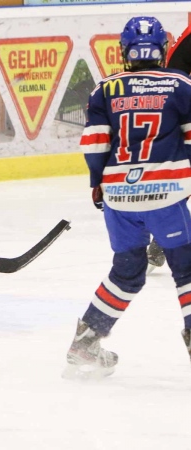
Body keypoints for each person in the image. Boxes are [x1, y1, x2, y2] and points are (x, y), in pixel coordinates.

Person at [64, 16, 191, 379]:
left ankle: (85, 342)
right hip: (167, 193)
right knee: (187, 268)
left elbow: (94, 145)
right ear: (163, 50)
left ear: (124, 51)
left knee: (128, 270)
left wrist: (97, 184)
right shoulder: (181, 84)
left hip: (119, 197)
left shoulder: (104, 89)